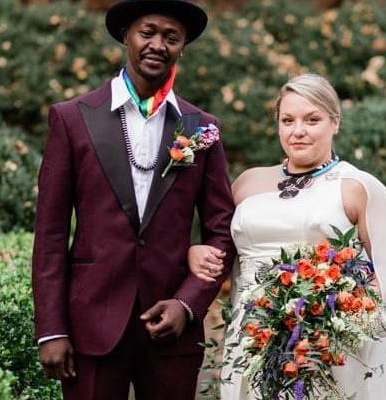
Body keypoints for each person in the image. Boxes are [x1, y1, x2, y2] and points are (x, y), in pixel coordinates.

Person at [31, 1, 236, 399]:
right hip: (90, 326)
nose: (158, 44)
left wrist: (188, 303)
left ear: (182, 48)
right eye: (147, 32)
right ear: (126, 36)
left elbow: (222, 232)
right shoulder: (73, 118)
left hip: (171, 330)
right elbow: (51, 234)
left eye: (171, 37)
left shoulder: (199, 128)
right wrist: (51, 329)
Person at [190, 73, 386, 399]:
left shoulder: (358, 187)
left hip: (321, 344)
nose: (298, 131)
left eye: (312, 120)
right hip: (252, 333)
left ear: (335, 122)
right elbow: (220, 248)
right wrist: (196, 253)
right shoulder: (248, 183)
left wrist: (330, 319)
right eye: (287, 120)